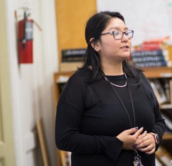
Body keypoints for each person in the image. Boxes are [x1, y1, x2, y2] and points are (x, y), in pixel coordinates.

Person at [55, 11, 166, 166]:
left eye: (126, 32)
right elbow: (64, 139)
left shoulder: (139, 78)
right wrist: (115, 143)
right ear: (95, 44)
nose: (125, 38)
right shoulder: (79, 83)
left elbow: (159, 121)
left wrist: (154, 137)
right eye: (116, 33)